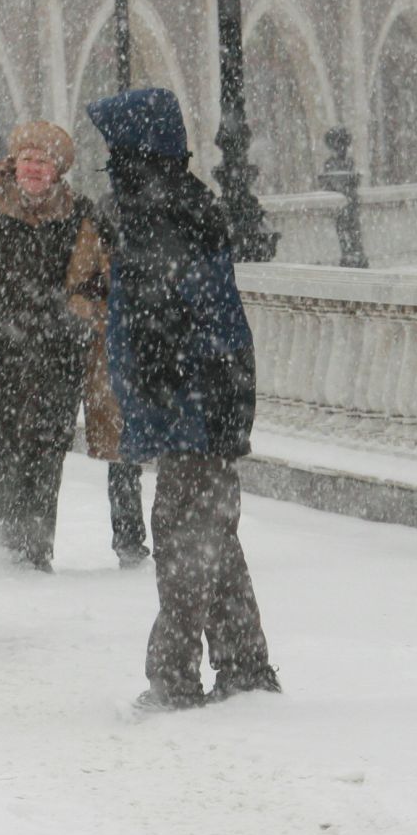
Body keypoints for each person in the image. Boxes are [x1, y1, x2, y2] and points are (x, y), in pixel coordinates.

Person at [87, 87, 280, 710]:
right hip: (197, 401)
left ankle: (173, 679)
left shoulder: (161, 215)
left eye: (117, 148)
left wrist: (164, 385)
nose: (109, 159)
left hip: (190, 406)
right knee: (212, 536)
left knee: (182, 539)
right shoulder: (172, 208)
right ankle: (245, 667)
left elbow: (175, 318)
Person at [0, 122, 106, 571]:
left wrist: (74, 313)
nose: (34, 168)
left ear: (57, 171)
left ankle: (38, 548)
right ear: (14, 163)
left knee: (46, 451)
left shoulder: (79, 212)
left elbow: (89, 279)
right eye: (28, 159)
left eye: (44, 162)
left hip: (54, 351)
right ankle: (12, 540)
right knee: (1, 445)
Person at [85, 193, 151, 566]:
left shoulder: (176, 210)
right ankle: (130, 537)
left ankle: (137, 536)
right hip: (121, 349)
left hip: (146, 347)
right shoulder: (106, 214)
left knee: (131, 452)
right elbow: (80, 286)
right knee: (124, 451)